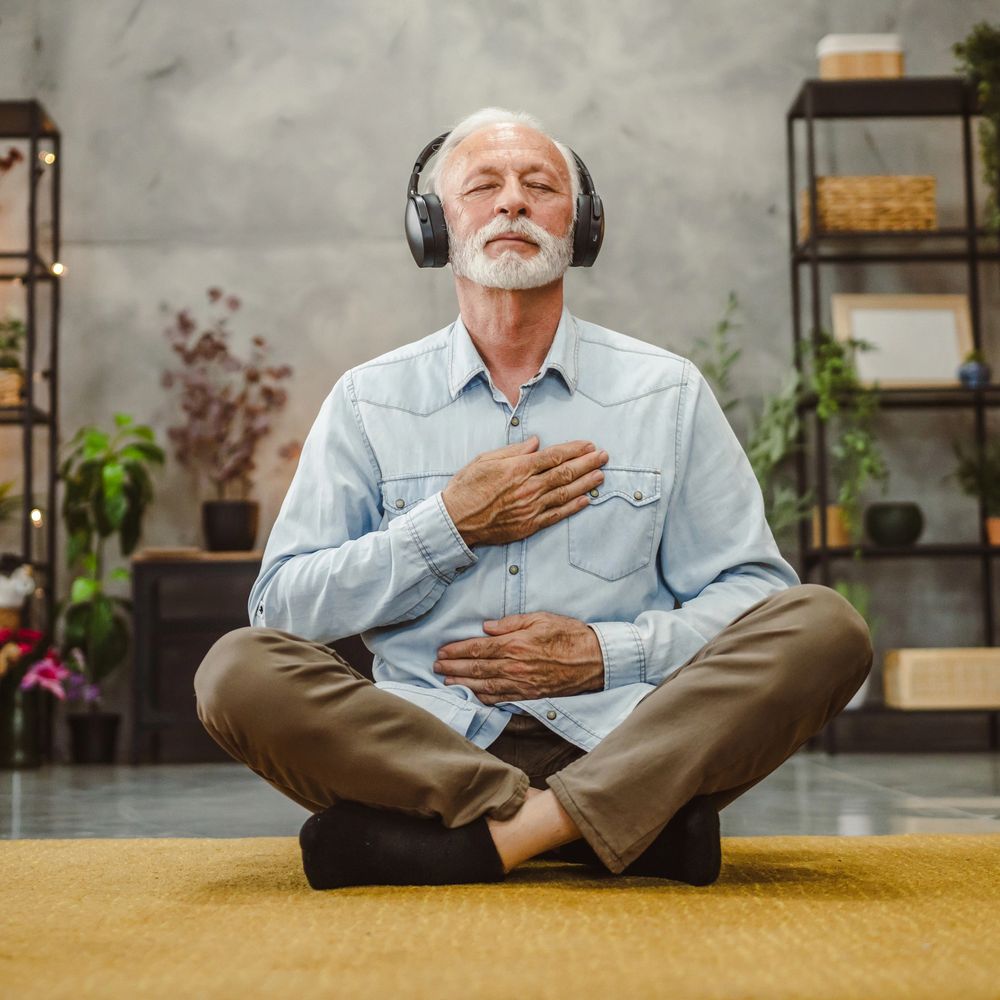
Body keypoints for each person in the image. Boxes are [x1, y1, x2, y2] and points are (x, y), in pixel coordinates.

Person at [193, 107, 873, 890]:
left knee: (826, 625)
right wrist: (447, 527)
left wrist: (608, 654)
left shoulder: (666, 390)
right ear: (434, 227)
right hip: (422, 747)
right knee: (236, 671)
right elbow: (281, 608)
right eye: (483, 185)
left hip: (627, 734)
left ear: (580, 227)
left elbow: (754, 595)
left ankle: (500, 837)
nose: (512, 201)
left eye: (539, 186)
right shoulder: (367, 401)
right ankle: (609, 827)